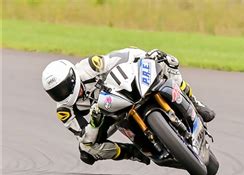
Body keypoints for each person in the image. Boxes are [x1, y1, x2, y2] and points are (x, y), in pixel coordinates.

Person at [41, 47, 215, 165]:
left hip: (123, 86)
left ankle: (194, 102)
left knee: (165, 60)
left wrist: (147, 56)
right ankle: (132, 152)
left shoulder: (89, 67)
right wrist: (94, 122)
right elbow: (84, 138)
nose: (62, 95)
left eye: (63, 88)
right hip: (107, 114)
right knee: (86, 151)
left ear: (72, 77)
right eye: (56, 93)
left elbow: (121, 56)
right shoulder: (64, 110)